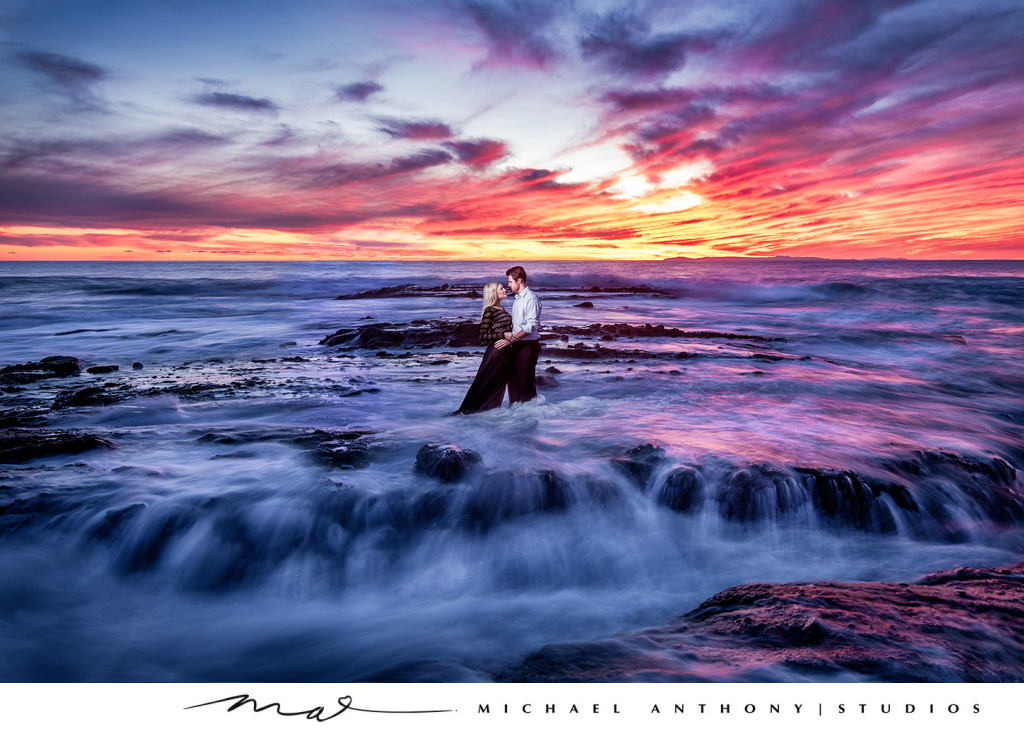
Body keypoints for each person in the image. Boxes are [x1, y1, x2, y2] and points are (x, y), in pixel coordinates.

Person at [455, 281, 514, 414]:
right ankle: (476, 410)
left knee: (498, 384)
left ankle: (491, 411)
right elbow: (482, 335)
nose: (505, 289)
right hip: (496, 351)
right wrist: (503, 335)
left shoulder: (502, 308)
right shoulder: (489, 310)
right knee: (487, 383)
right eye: (501, 288)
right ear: (494, 293)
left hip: (505, 351)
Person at [499, 265, 542, 404]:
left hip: (528, 346)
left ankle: (529, 417)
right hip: (517, 344)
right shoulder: (518, 298)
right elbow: (517, 324)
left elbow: (531, 326)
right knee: (513, 382)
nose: (508, 285)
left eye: (510, 282)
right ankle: (516, 416)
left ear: (520, 281)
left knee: (526, 385)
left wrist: (511, 340)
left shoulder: (531, 299)